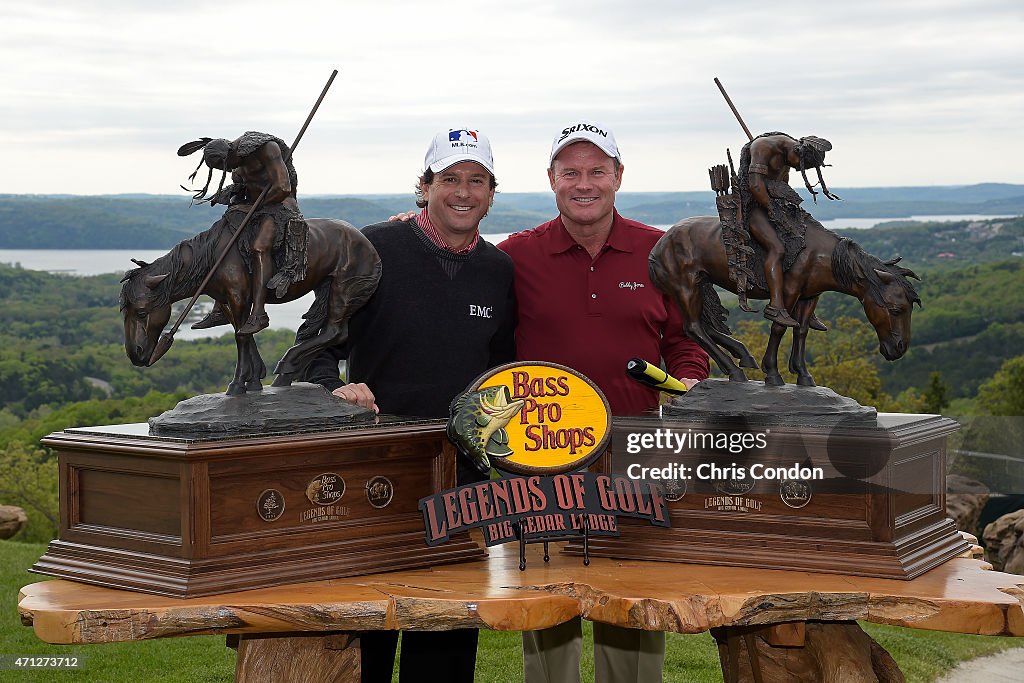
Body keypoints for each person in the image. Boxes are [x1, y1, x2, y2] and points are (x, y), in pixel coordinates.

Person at [497, 121, 710, 683]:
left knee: (633, 605)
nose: (583, 183)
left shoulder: (661, 252)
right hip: (541, 452)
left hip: (638, 450)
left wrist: (686, 386)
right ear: (551, 180)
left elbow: (687, 342)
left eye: (597, 170)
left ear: (618, 176)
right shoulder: (516, 256)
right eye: (571, 172)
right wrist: (408, 228)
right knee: (545, 605)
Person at [302, 128, 515, 683]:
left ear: (492, 193)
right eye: (449, 179)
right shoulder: (373, 249)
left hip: (463, 478)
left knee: (445, 640)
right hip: (378, 470)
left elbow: (504, 365)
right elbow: (313, 342)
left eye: (477, 180)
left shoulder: (498, 271)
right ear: (424, 188)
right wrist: (334, 390)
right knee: (367, 632)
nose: (463, 192)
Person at [177, 132, 308, 334]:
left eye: (226, 166)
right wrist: (231, 194)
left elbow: (283, 187)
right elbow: (244, 186)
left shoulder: (266, 148)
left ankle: (258, 314)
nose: (228, 170)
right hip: (252, 206)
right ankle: (220, 307)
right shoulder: (236, 158)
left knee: (258, 247)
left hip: (279, 205)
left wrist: (254, 207)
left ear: (230, 153)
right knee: (221, 242)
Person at [737, 132, 838, 329]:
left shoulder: (787, 152)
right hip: (754, 207)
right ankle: (775, 305)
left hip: (774, 205)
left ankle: (803, 304)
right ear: (797, 152)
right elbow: (755, 185)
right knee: (777, 248)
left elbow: (781, 184)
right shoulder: (763, 147)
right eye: (800, 165)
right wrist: (773, 210)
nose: (798, 170)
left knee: (803, 243)